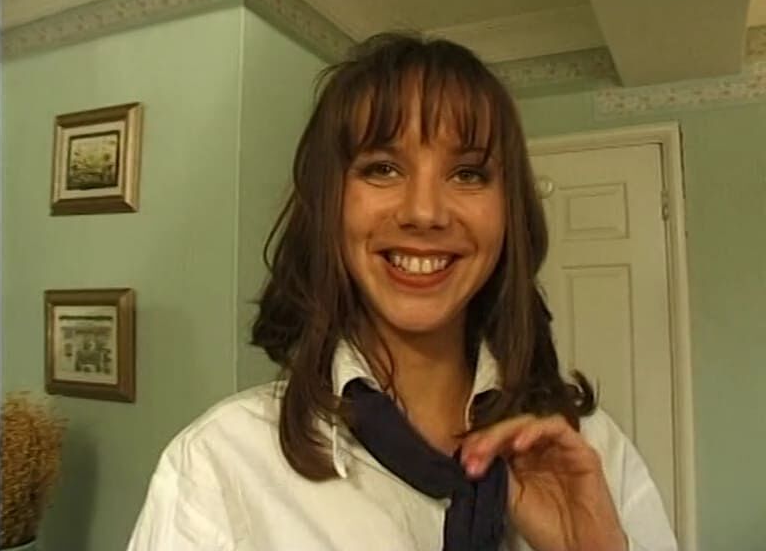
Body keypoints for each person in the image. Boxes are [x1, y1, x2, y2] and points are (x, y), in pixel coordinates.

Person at [127, 33, 677, 551]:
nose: (424, 212)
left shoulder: (593, 454)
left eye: (468, 174)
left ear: (510, 212)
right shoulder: (219, 466)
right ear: (329, 204)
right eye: (383, 168)